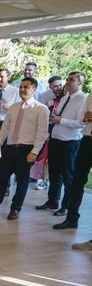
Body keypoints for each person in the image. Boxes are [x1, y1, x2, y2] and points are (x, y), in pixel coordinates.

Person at [0, 78, 49, 220]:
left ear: (34, 89)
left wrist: (34, 152)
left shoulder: (41, 109)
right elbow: (5, 128)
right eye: (21, 87)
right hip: (9, 147)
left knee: (22, 180)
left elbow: (42, 133)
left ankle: (15, 208)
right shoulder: (14, 107)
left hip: (26, 149)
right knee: (1, 177)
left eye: (26, 87)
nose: (22, 90)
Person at [36, 72, 88, 216]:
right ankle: (53, 200)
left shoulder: (83, 100)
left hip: (70, 142)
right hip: (56, 139)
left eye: (71, 80)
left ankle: (66, 206)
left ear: (80, 83)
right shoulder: (65, 97)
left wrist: (61, 120)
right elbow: (57, 116)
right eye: (68, 79)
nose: (67, 82)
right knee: (54, 173)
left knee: (68, 176)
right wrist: (53, 119)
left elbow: (81, 124)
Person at [53, 92, 92, 232]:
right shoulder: (91, 95)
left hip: (77, 140)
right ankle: (71, 218)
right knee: (77, 181)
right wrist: (86, 118)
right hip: (87, 139)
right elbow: (83, 119)